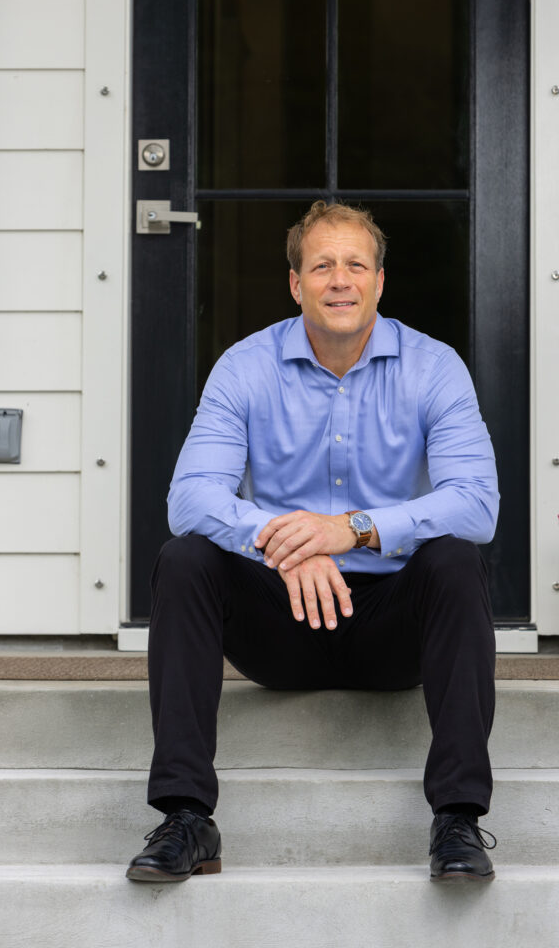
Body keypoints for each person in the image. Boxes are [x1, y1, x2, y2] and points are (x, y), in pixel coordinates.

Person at [126, 200, 499, 884]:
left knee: (455, 557)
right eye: (321, 265)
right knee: (184, 560)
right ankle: (186, 817)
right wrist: (282, 542)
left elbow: (475, 505)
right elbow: (190, 499)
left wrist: (351, 527)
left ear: (379, 281)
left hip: (391, 627)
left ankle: (457, 820)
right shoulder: (245, 366)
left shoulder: (433, 367)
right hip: (282, 624)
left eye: (355, 264)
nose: (339, 280)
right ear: (295, 283)